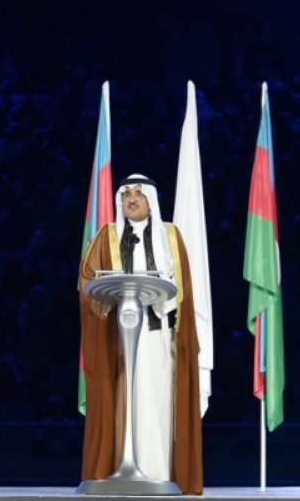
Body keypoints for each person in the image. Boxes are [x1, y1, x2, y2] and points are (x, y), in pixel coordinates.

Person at [78, 174, 203, 495]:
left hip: (159, 333)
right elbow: (88, 280)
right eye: (126, 194)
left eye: (138, 193)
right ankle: (120, 469)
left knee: (158, 398)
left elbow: (183, 290)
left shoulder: (171, 236)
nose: (132, 199)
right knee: (123, 397)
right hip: (119, 336)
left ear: (151, 200)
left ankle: (157, 471)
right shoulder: (107, 235)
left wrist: (174, 327)